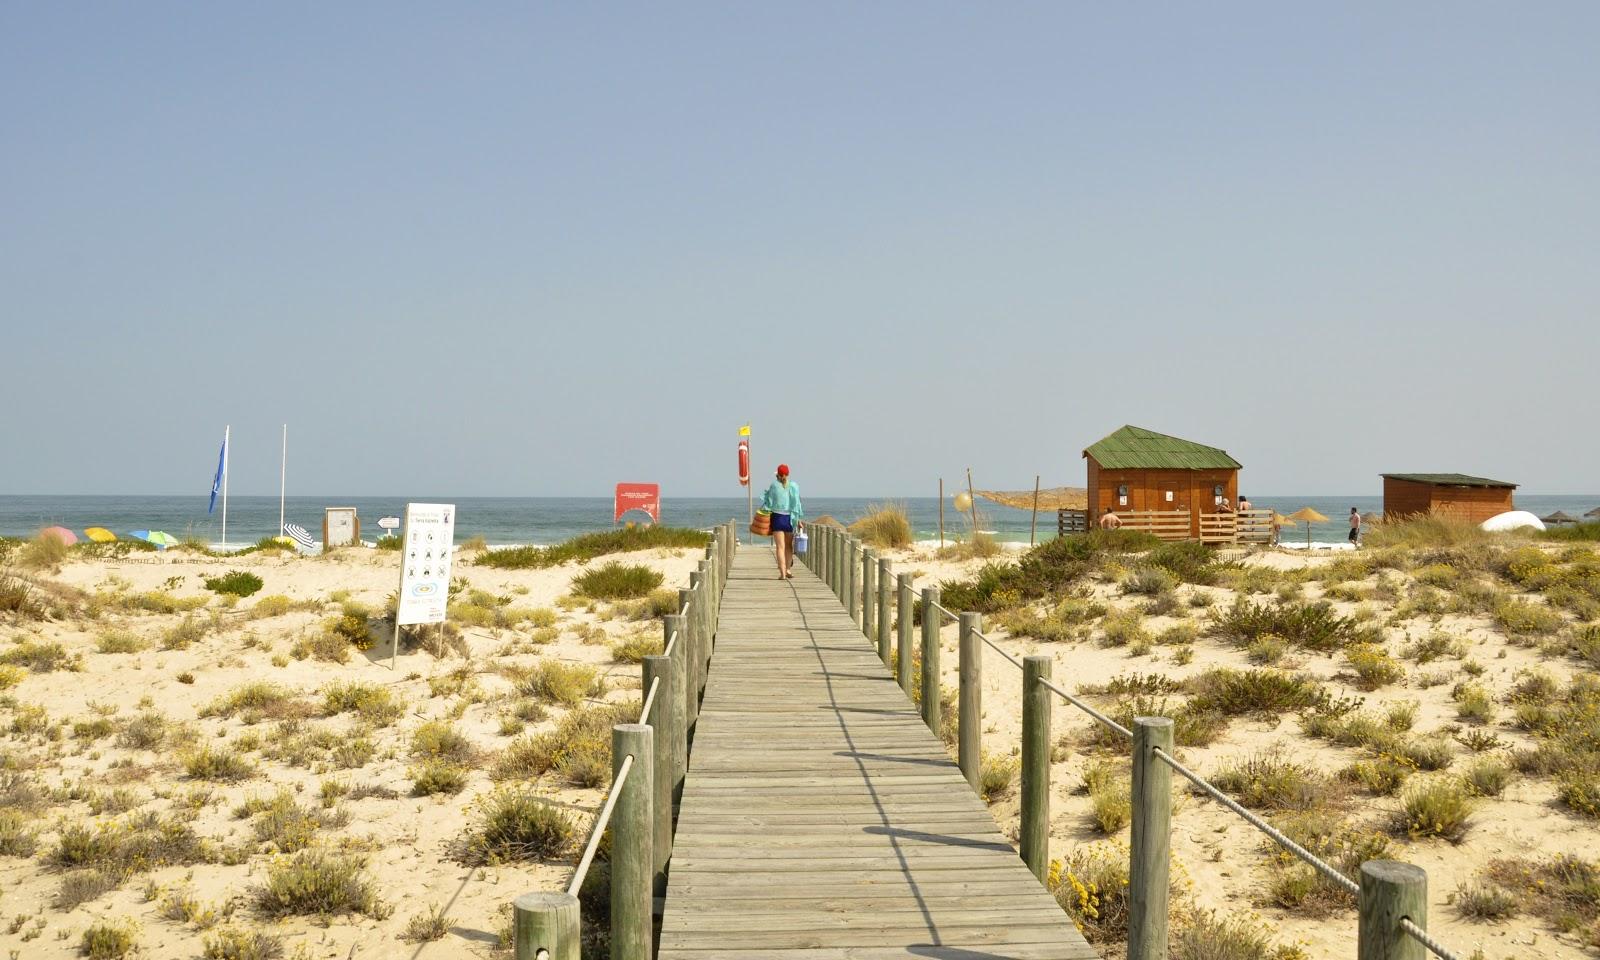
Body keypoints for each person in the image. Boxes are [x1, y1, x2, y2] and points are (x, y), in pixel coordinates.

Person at [761, 464, 803, 579]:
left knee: (780, 547)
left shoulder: (774, 486)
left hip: (777, 518)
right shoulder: (794, 486)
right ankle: (788, 570)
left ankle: (783, 573)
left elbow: (768, 503)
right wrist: (798, 520)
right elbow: (797, 505)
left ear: (778, 475)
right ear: (788, 474)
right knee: (789, 546)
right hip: (790, 518)